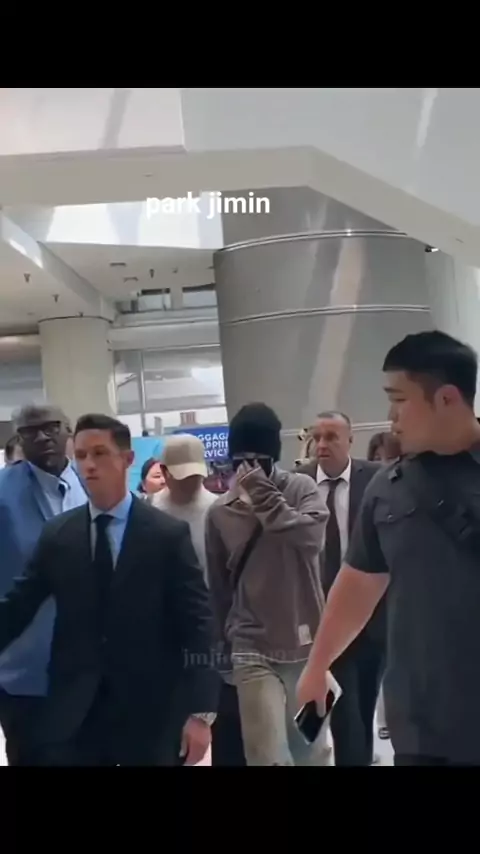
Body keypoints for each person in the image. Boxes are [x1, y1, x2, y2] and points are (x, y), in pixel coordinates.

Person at [297, 330, 480, 766]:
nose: (391, 416)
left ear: (447, 398)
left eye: (399, 399)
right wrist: (318, 665)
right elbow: (358, 584)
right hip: (420, 729)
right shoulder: (388, 489)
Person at [0, 413, 219, 766]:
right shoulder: (59, 536)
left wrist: (201, 712)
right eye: (81, 455)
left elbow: (198, 625)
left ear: (127, 459)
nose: (89, 464)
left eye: (100, 453)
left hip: (151, 711)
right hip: (77, 717)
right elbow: (17, 607)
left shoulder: (165, 535)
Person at [206, 403, 329, 766]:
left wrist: (265, 498)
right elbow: (219, 588)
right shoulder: (221, 512)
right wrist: (221, 652)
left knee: (310, 751)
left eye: (257, 461)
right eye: (239, 461)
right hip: (251, 645)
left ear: (273, 457)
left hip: (306, 644)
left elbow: (311, 539)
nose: (247, 470)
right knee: (266, 754)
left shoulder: (302, 488)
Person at [0, 404, 86, 765]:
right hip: (26, 669)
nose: (42, 437)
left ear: (67, 431)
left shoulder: (91, 485)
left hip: (91, 670)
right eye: (30, 431)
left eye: (51, 428)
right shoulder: (4, 494)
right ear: (19, 440)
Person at [296, 412, 382, 766]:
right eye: (316, 437)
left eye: (331, 437)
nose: (321, 445)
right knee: (344, 712)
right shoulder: (298, 484)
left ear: (350, 440)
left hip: (372, 614)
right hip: (321, 616)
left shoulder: (375, 479)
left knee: (364, 704)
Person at [366, 430, 401, 742]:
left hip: (403, 590)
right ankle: (384, 717)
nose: (383, 464)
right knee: (379, 661)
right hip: (373, 590)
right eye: (377, 458)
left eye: (388, 458)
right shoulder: (372, 495)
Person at [154, 434, 217, 575]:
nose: (190, 482)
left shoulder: (218, 510)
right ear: (164, 471)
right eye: (183, 477)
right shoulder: (150, 511)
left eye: (195, 476)